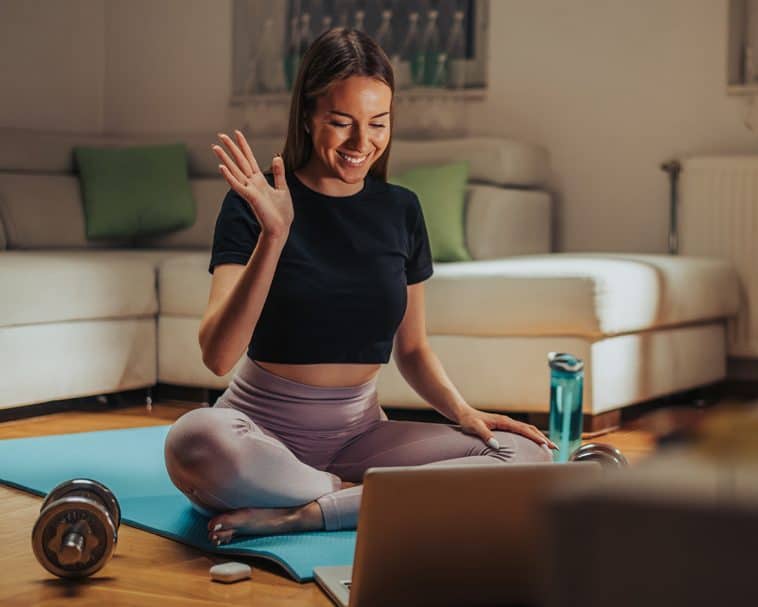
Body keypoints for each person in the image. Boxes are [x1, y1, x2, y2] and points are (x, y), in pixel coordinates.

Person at [163, 28, 555, 547]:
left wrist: (466, 414)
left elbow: (412, 349)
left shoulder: (402, 210)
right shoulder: (254, 204)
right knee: (193, 441)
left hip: (360, 435)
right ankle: (358, 497)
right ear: (307, 115)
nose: (360, 143)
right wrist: (275, 234)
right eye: (341, 122)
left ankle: (307, 511)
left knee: (526, 455)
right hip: (257, 434)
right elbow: (218, 356)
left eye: (378, 124)